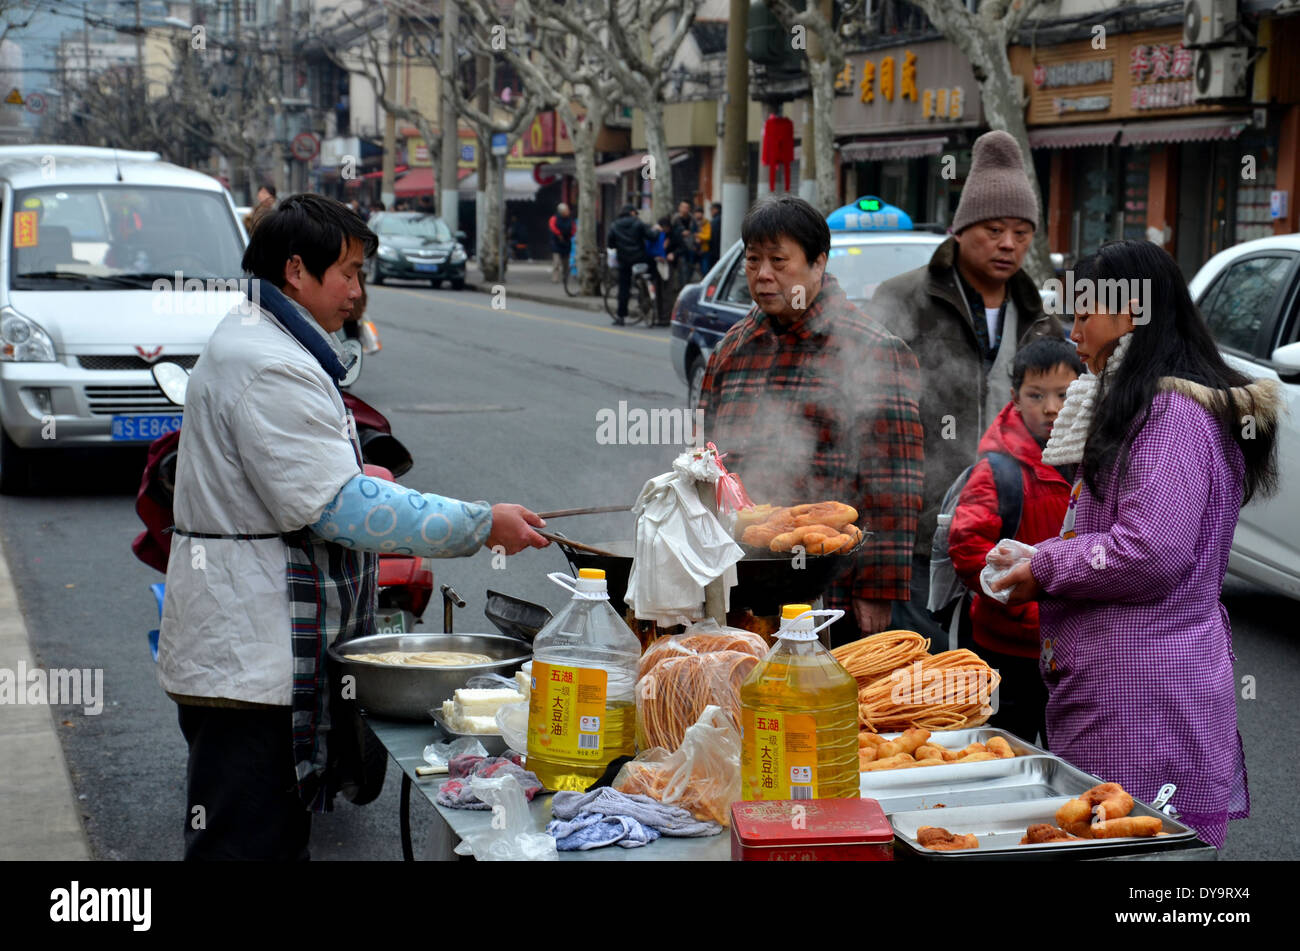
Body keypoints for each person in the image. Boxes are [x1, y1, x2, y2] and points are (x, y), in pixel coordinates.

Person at [158, 193, 549, 860]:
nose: (358, 291)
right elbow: (343, 507)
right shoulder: (266, 361)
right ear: (296, 272)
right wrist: (482, 523)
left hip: (249, 649)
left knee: (271, 839)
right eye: (349, 272)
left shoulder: (265, 339)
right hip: (248, 660)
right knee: (246, 844)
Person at [992, 239, 1281, 848]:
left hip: (1143, 693)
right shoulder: (1138, 401)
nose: (1073, 330)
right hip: (1125, 682)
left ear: (1131, 315)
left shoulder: (1172, 413)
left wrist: (1045, 565)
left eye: (1084, 313)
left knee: (1133, 853)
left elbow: (1152, 550)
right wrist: (1041, 559)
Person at [699, 195, 924, 644]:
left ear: (818, 264)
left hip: (829, 583)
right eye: (753, 260)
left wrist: (878, 588)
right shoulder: (732, 348)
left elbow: (894, 481)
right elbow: (706, 463)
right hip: (737, 578)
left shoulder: (872, 349)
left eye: (779, 261)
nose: (763, 275)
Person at [870, 130, 1060, 637]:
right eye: (994, 228)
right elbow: (868, 425)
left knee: (990, 692)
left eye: (1022, 232)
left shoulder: (1040, 317)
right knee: (919, 690)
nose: (1008, 244)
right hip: (920, 533)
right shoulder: (903, 300)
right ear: (961, 228)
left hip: (1009, 540)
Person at [946, 337, 1084, 744]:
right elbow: (969, 549)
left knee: (1072, 751)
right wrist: (1024, 609)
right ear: (1015, 398)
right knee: (1004, 750)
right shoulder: (999, 469)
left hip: (1073, 648)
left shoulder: (1096, 459)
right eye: (1036, 395)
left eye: (1064, 394)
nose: (1052, 407)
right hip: (1007, 648)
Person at [606, 204, 657, 326]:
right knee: (652, 267)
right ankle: (649, 285)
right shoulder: (638, 223)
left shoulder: (614, 225)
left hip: (624, 261)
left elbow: (610, 244)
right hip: (640, 259)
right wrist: (657, 230)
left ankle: (621, 316)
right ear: (632, 213)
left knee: (624, 288)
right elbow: (652, 236)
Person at [668, 199, 698, 291]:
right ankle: (682, 287)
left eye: (687, 207)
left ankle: (686, 285)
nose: (685, 209)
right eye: (683, 207)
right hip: (679, 248)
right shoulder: (675, 219)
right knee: (682, 268)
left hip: (691, 246)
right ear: (679, 208)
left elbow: (696, 231)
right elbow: (671, 234)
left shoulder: (692, 219)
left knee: (691, 267)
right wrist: (681, 233)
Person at [548, 203, 575, 282]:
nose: (568, 211)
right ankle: (555, 278)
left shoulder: (570, 219)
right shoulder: (554, 218)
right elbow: (552, 227)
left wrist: (570, 236)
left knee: (566, 263)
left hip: (566, 242)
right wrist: (559, 234)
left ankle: (565, 278)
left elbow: (573, 229)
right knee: (556, 262)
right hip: (556, 242)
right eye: (566, 210)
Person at [694, 207, 711, 277]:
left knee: (705, 270)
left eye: (699, 213)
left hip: (704, 250)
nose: (698, 215)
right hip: (695, 250)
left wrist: (698, 235)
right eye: (696, 213)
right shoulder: (693, 223)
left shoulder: (706, 223)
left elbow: (708, 236)